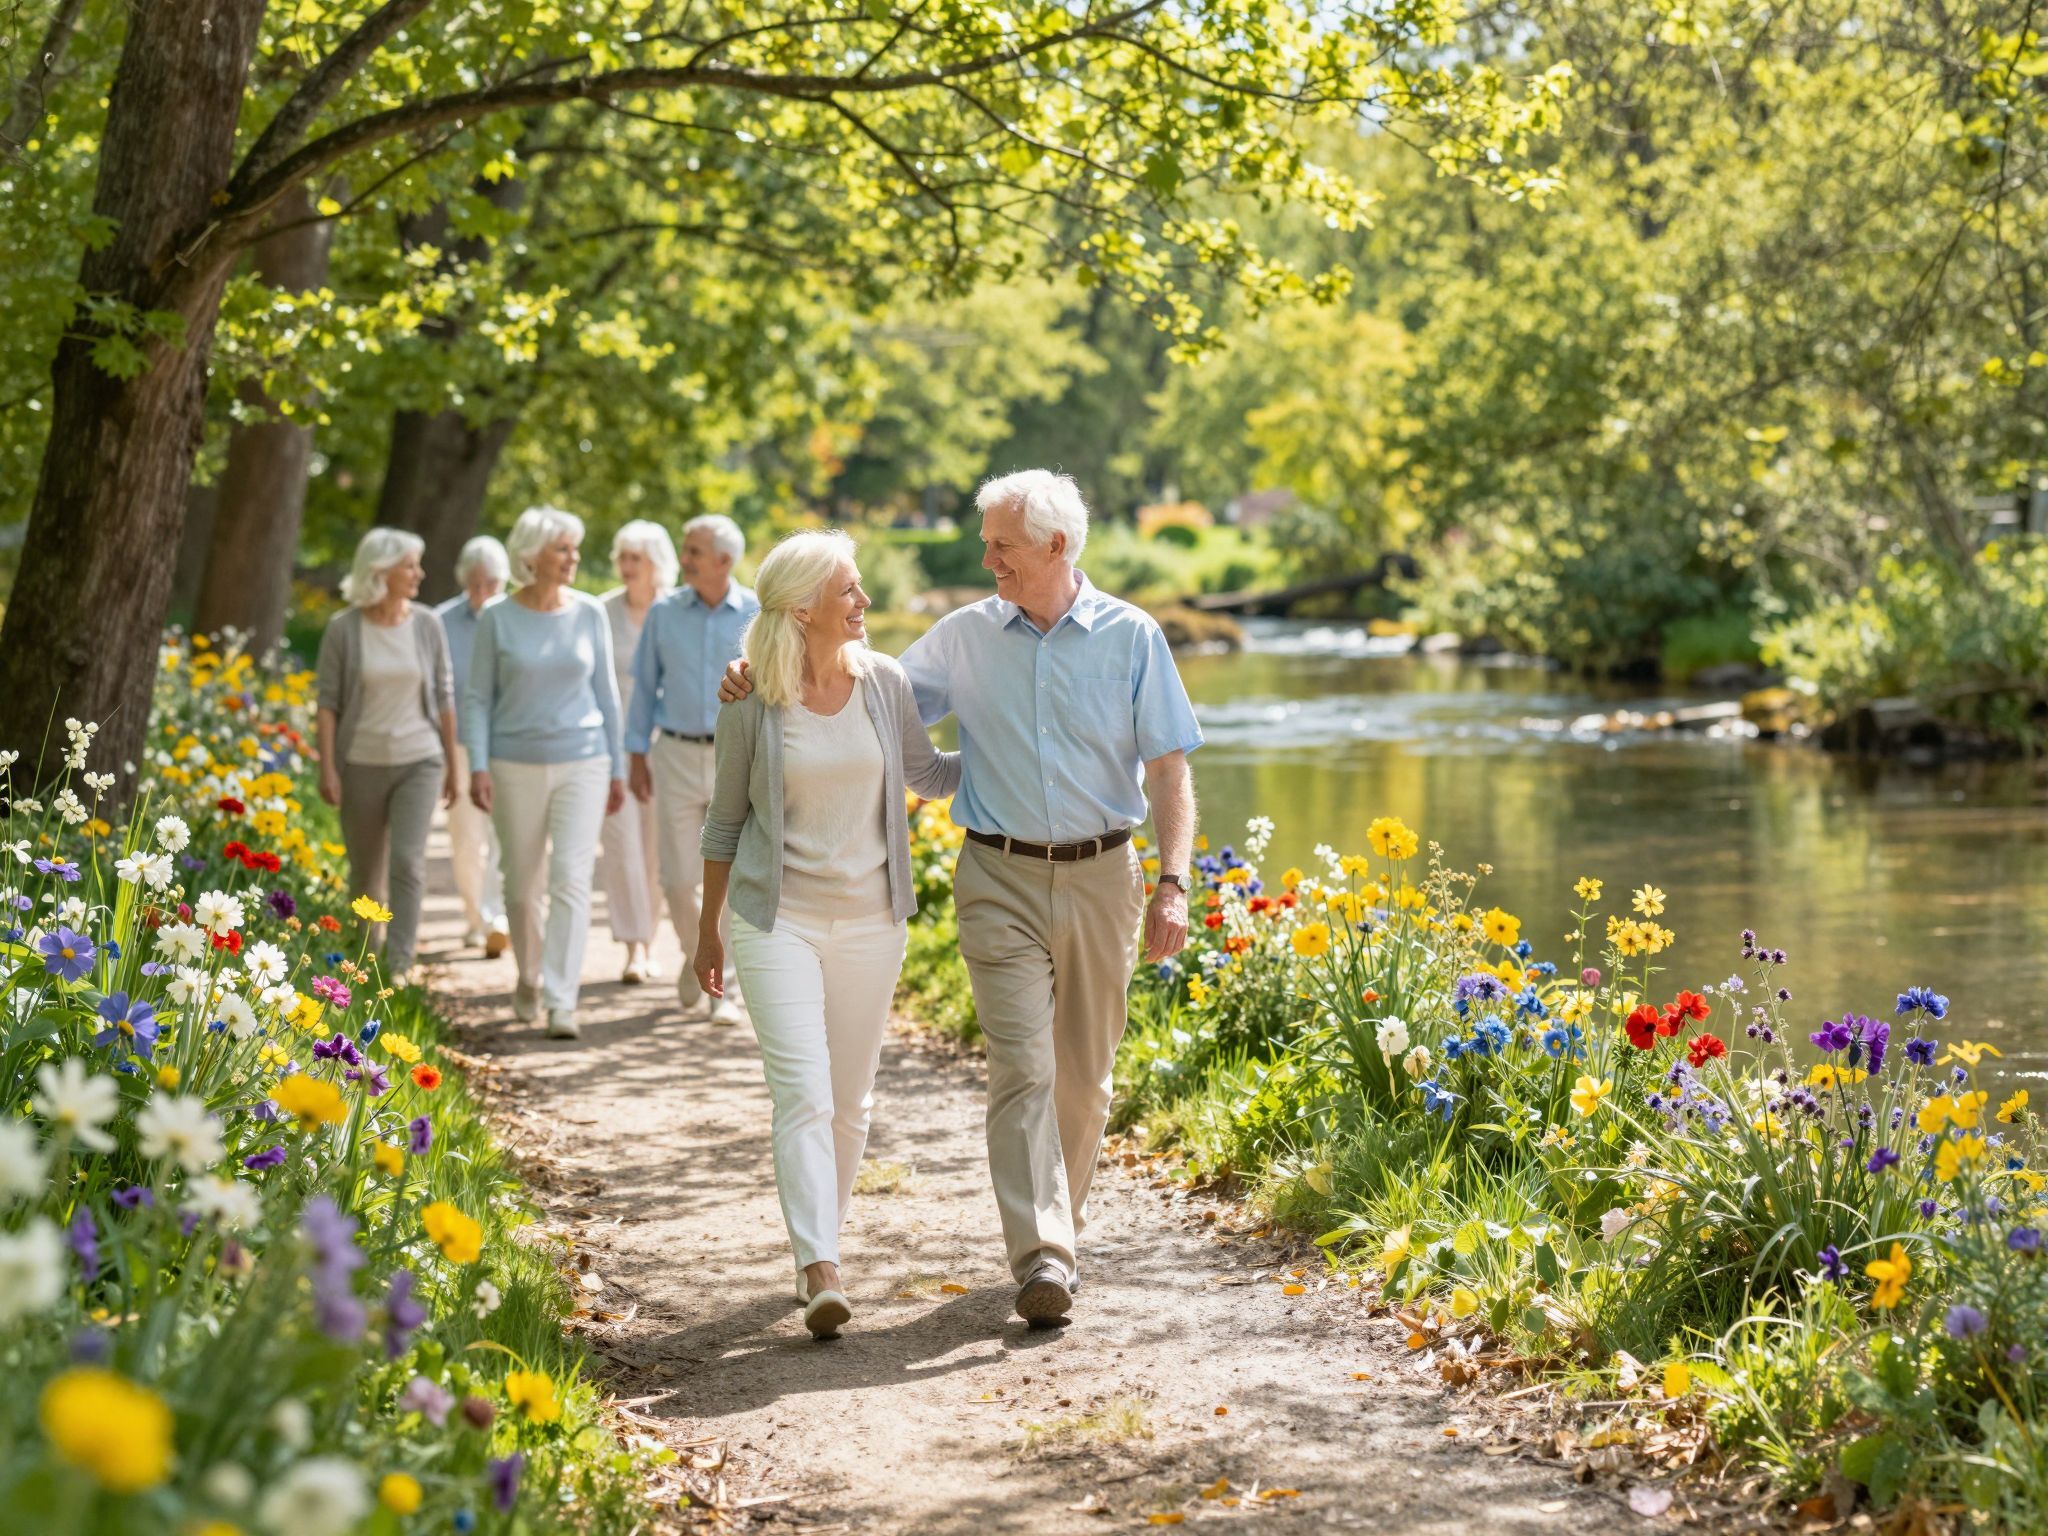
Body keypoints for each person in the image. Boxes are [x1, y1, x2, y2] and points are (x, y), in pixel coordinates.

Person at [722, 471, 1199, 1328]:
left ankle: (1061, 1229)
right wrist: (761, 665)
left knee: (1085, 1080)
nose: (987, 560)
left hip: (1102, 875)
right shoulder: (962, 637)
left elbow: (1169, 767)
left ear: (1056, 546)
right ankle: (1043, 1254)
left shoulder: (1134, 637)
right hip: (998, 876)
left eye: (1001, 545)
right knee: (1024, 1066)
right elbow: (857, 688)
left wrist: (1173, 881)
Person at [697, 529, 960, 1339]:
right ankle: (821, 1267)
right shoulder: (752, 698)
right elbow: (725, 820)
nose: (864, 603)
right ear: (803, 606)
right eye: (850, 590)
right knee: (803, 1093)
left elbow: (930, 775)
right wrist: (706, 930)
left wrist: (1020, 741)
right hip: (776, 920)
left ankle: (821, 1240)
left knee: (850, 1104)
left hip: (872, 921)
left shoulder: (884, 682)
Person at [461, 506, 626, 1041]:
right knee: (520, 884)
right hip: (513, 764)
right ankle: (528, 975)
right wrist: (479, 765)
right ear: (531, 556)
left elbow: (607, 695)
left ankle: (561, 998)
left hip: (585, 760)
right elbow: (478, 698)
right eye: (563, 549)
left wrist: (618, 766)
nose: (573, 557)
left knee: (571, 880)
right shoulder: (497, 618)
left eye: (574, 548)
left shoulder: (589, 613)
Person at [625, 513, 758, 1026]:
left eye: (694, 551)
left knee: (739, 875)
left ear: (724, 561)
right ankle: (696, 953)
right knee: (679, 880)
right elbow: (645, 688)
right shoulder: (663, 613)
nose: (683, 559)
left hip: (737, 756)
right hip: (675, 755)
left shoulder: (757, 611)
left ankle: (723, 989)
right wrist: (635, 754)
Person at [315, 528, 461, 986]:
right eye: (410, 565)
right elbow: (327, 704)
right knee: (365, 872)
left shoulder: (426, 624)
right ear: (381, 570)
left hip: (420, 759)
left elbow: (443, 698)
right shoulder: (344, 628)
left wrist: (454, 766)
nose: (419, 574)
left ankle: (398, 965)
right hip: (360, 763)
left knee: (408, 863)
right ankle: (366, 960)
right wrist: (327, 767)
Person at [598, 520, 677, 984]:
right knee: (621, 847)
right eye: (622, 557)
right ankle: (633, 947)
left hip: (666, 746)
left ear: (655, 564)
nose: (627, 567)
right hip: (613, 746)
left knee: (657, 852)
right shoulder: (603, 611)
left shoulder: (673, 610)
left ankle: (649, 939)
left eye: (636, 559)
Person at [434, 535, 511, 957]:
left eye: (491, 583)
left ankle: (495, 917)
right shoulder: (441, 621)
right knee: (466, 837)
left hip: (508, 744)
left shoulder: (516, 617)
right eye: (475, 583)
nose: (482, 592)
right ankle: (474, 917)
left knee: (505, 836)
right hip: (460, 744)